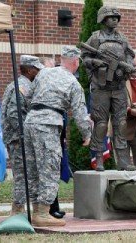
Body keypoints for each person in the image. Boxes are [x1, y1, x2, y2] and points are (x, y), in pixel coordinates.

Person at [24, 46, 92, 227]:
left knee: (33, 168)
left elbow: (29, 97)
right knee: (49, 167)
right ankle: (43, 213)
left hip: (30, 122)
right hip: (48, 124)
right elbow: (80, 113)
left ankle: (35, 211)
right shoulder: (73, 83)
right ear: (76, 62)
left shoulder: (44, 74)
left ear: (62, 59)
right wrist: (87, 135)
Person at [81, 6, 135, 171]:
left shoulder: (123, 39)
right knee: (101, 123)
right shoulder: (95, 38)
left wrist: (128, 67)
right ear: (103, 19)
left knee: (121, 123)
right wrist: (94, 62)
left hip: (118, 87)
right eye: (112, 17)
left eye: (117, 18)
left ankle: (123, 160)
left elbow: (129, 56)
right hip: (101, 87)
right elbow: (84, 58)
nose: (115, 20)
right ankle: (99, 159)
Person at [1, 55, 44, 216]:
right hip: (19, 139)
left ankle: (22, 209)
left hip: (19, 138)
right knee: (22, 175)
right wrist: (26, 134)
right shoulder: (22, 87)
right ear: (28, 70)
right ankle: (17, 212)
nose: (38, 72)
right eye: (36, 69)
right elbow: (14, 114)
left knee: (27, 174)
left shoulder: (22, 85)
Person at [38, 57, 66, 219]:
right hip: (41, 134)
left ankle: (53, 207)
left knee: (53, 171)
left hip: (56, 134)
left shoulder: (54, 87)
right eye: (49, 70)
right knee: (45, 171)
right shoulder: (36, 88)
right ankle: (44, 209)